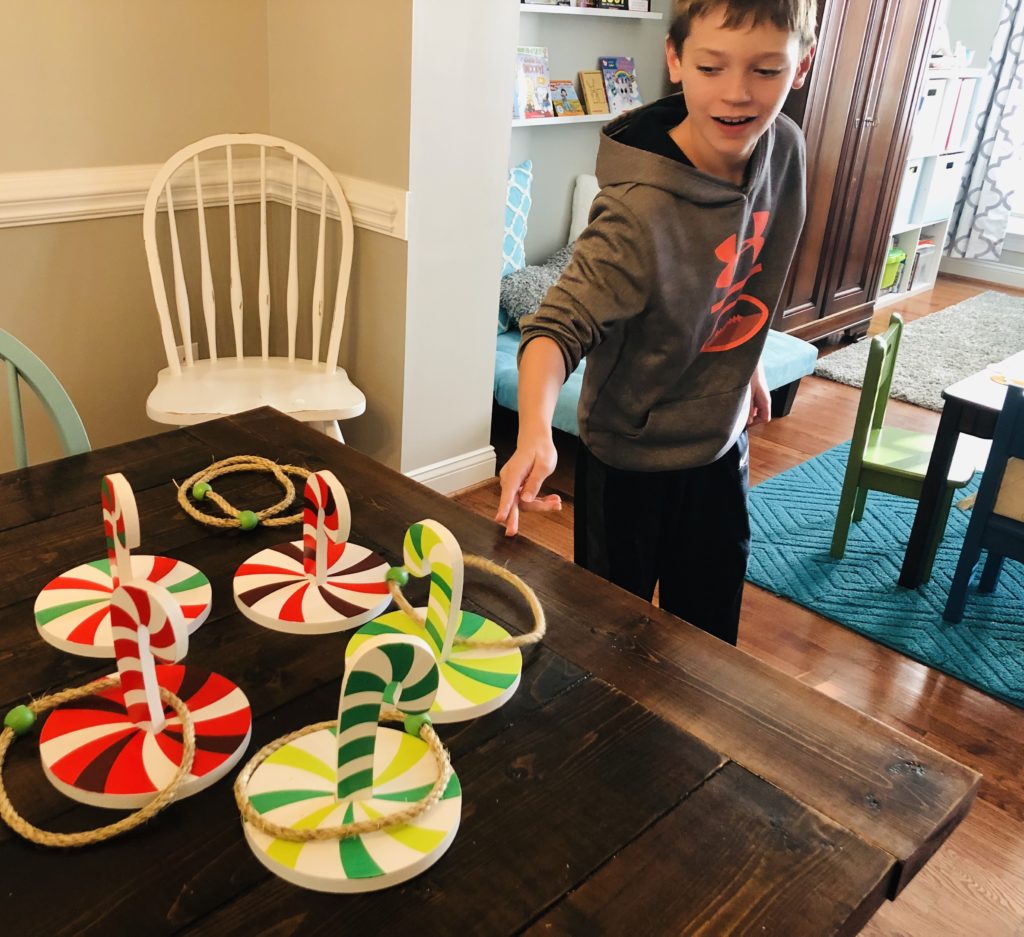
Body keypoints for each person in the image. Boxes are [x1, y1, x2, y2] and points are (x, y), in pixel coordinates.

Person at [495, 0, 816, 646]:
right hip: (629, 465)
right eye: (710, 65)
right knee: (612, 646)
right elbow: (554, 330)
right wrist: (533, 431)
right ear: (674, 59)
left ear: (800, 67)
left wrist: (740, 358)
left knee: (707, 646)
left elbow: (733, 276)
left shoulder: (784, 150)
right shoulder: (637, 213)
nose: (736, 93)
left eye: (765, 69)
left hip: (720, 448)